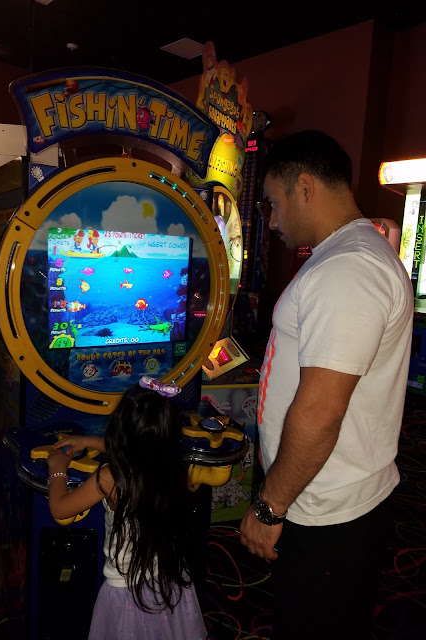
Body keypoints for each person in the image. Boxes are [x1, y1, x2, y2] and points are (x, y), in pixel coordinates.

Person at [239, 130, 413, 640]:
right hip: (333, 495)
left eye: (273, 203)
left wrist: (269, 505)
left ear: (305, 187)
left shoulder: (347, 269)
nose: (272, 220)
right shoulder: (349, 254)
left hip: (326, 509)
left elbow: (320, 411)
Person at [47, 379, 207, 640]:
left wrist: (58, 469)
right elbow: (141, 449)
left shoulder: (111, 477)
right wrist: (90, 441)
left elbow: (60, 509)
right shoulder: (172, 465)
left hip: (126, 595)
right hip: (168, 581)